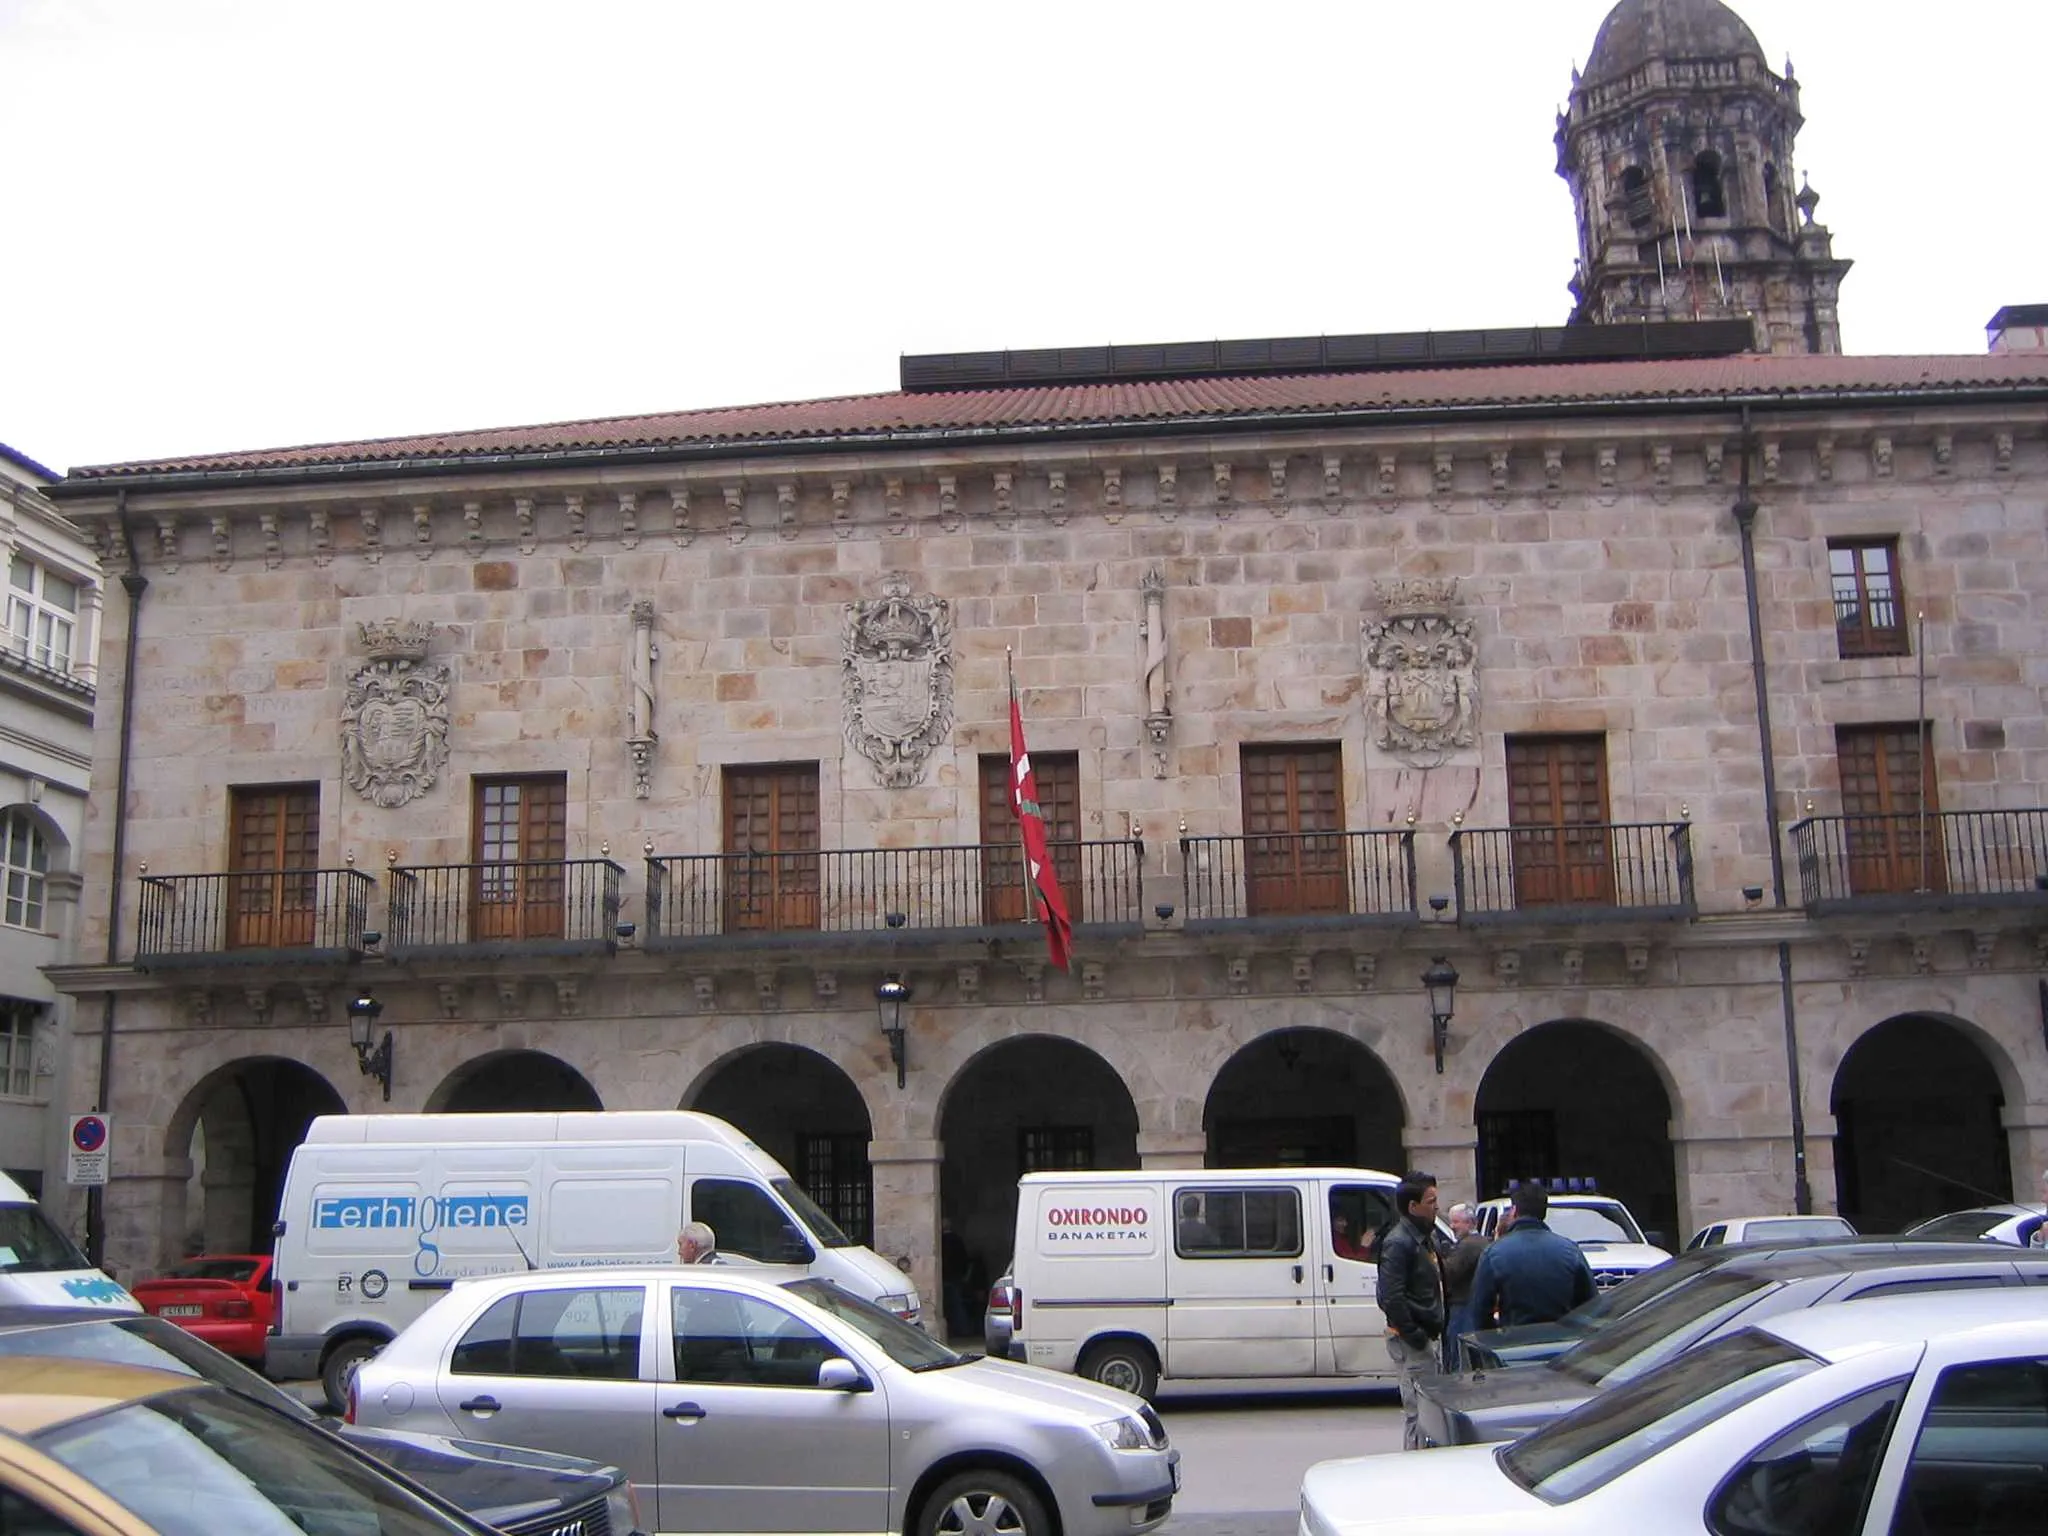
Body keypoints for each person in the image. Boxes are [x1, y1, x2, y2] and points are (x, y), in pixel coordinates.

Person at [1374, 1174, 1444, 1451]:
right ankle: (1415, 1466)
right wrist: (1415, 1335)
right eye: (1431, 1201)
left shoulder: (1425, 1237)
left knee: (1430, 1413)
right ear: (1413, 1206)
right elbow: (1390, 1296)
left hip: (1426, 1335)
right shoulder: (1399, 1242)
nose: (1437, 1207)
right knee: (1419, 1413)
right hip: (1413, 1341)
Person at [1467, 1184, 1595, 1329]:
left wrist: (1495, 1341)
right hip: (1562, 1343)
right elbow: (1591, 1305)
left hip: (1515, 1344)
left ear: (1514, 1211)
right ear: (1544, 1213)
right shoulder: (1570, 1251)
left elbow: (1480, 1310)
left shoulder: (1495, 1253)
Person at [1439, 1202, 1488, 1370]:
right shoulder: (1479, 1242)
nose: (1452, 1226)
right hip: (1469, 1305)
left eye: (1456, 1222)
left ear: (1470, 1223)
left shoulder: (1469, 1245)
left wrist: (1435, 1261)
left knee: (1459, 1354)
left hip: (1463, 1305)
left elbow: (1449, 1272)